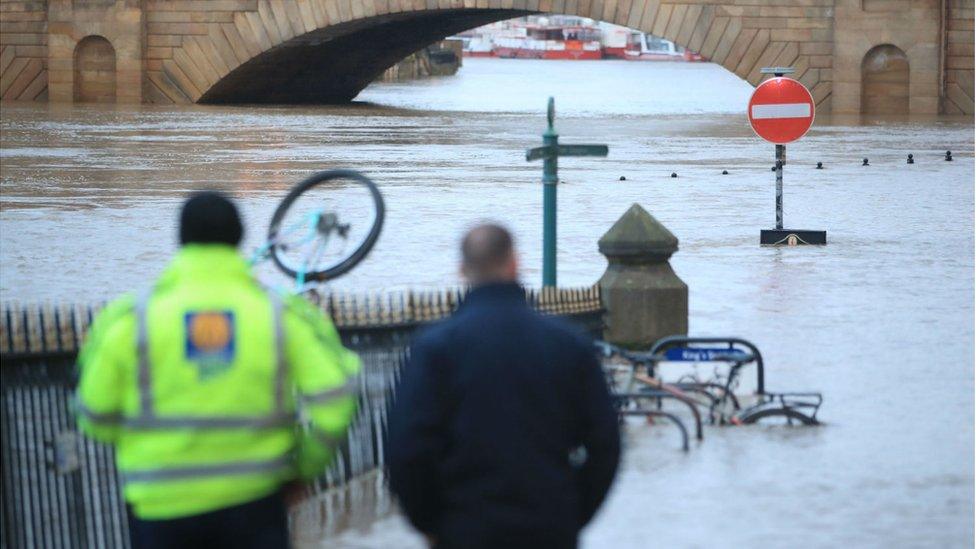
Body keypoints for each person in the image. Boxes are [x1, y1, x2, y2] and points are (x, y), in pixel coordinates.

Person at [75, 191, 360, 549]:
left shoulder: (132, 319)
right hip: (255, 500)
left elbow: (93, 414)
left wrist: (148, 448)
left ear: (180, 238)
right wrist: (304, 467)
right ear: (240, 236)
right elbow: (336, 402)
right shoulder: (280, 314)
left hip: (160, 506)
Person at [386, 223, 621, 548]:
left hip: (465, 528)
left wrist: (432, 522)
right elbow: (606, 442)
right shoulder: (568, 344)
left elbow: (406, 449)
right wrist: (571, 512)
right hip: (549, 527)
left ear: (463, 270)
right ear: (514, 263)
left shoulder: (435, 348)